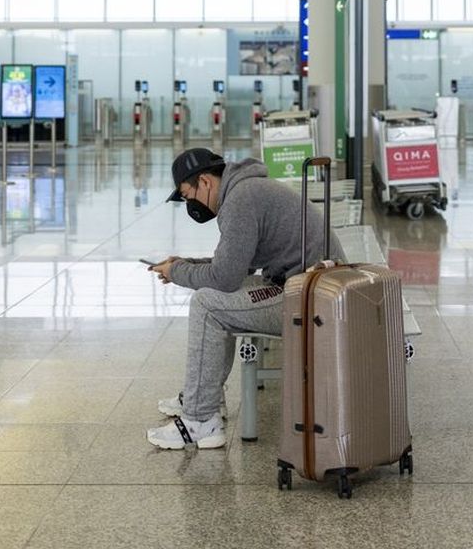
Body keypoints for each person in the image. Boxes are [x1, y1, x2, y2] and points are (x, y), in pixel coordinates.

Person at [145, 148, 344, 450]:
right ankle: (205, 397)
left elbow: (224, 278)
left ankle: (200, 420)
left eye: (188, 196)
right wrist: (184, 264)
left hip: (313, 299)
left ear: (205, 182)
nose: (191, 205)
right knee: (212, 297)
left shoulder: (240, 199)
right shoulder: (246, 189)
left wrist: (178, 272)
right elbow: (235, 265)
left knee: (207, 304)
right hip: (313, 287)